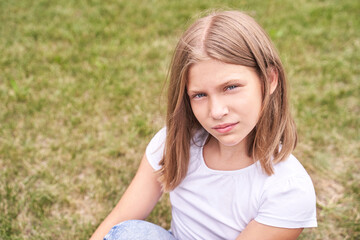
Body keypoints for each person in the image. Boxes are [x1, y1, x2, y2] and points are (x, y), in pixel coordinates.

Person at [90, 10, 317, 240]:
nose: (217, 111)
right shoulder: (174, 144)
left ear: (269, 80)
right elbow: (118, 220)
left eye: (231, 87)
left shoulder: (289, 188)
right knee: (129, 234)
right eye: (199, 95)